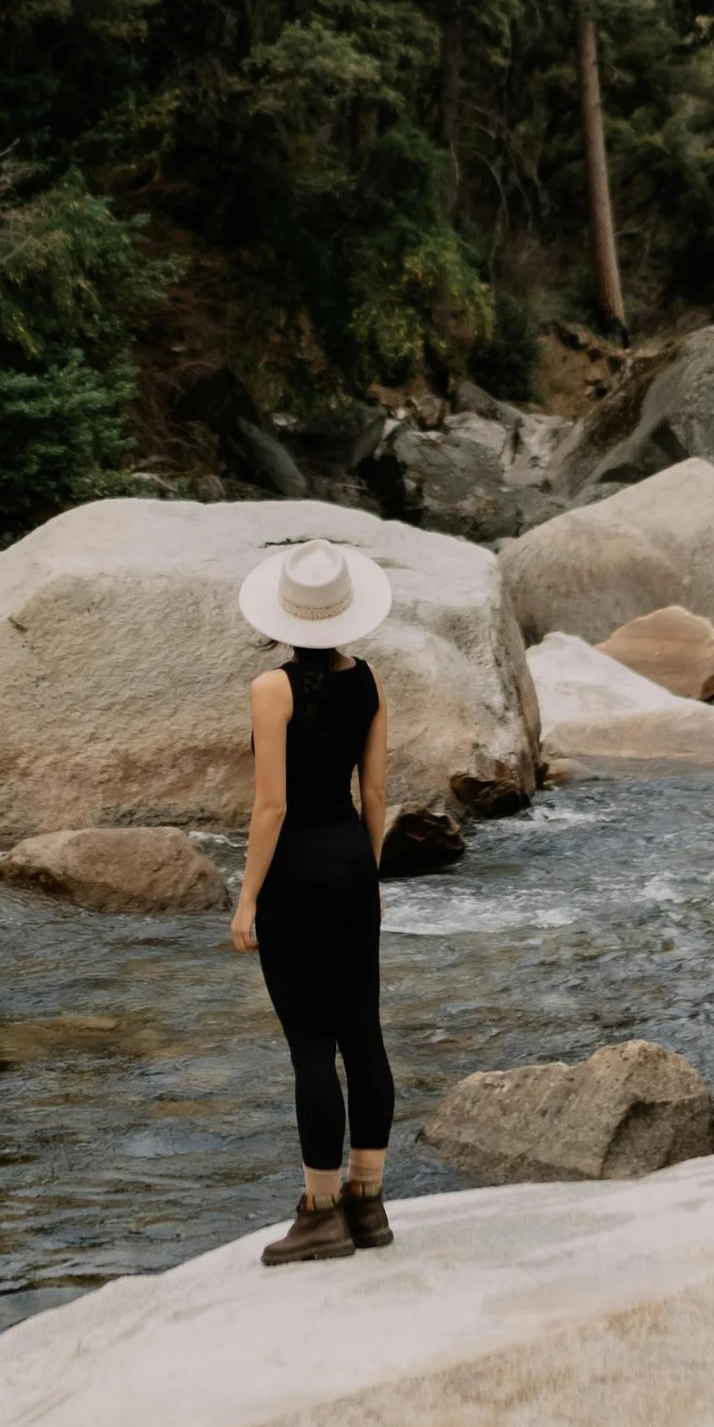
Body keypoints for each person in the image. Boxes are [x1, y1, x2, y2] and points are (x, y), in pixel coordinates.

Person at [230, 537, 397, 1267]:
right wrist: (374, 877)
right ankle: (369, 1203)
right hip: (354, 867)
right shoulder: (369, 681)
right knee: (363, 1034)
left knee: (310, 1046)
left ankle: (320, 1212)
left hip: (296, 871)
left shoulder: (272, 688)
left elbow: (271, 807)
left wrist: (245, 899)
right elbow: (378, 793)